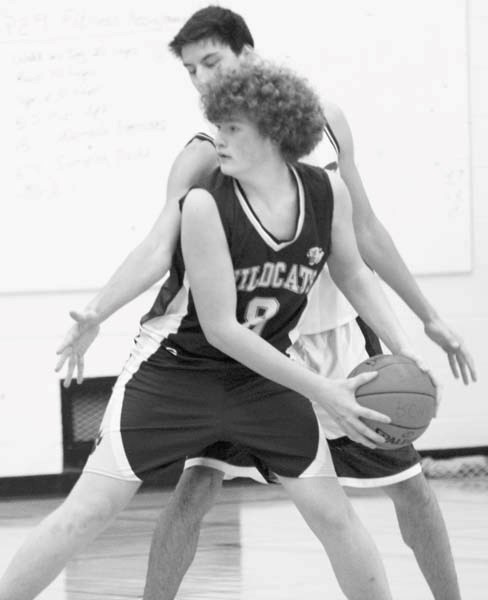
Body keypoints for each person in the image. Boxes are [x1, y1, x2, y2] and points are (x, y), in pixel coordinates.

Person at [49, 6, 472, 600]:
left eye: (211, 63)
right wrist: (98, 308)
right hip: (260, 350)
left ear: (248, 55)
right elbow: (156, 247)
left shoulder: (325, 123)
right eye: (190, 71)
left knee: (410, 484)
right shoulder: (205, 154)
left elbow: (366, 235)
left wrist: (426, 320)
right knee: (196, 489)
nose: (201, 80)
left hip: (341, 339)